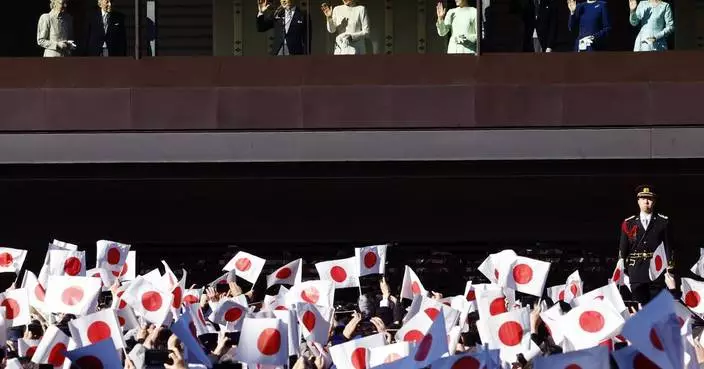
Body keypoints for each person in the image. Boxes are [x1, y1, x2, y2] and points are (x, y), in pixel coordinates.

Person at [618, 185, 675, 304]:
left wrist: (669, 267)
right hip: (636, 271)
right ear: (638, 201)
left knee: (655, 307)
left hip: (656, 270)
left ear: (654, 201)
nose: (646, 201)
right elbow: (623, 248)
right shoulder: (629, 223)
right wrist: (621, 264)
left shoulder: (662, 222)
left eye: (649, 198)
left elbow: (668, 246)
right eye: (643, 198)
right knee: (640, 306)